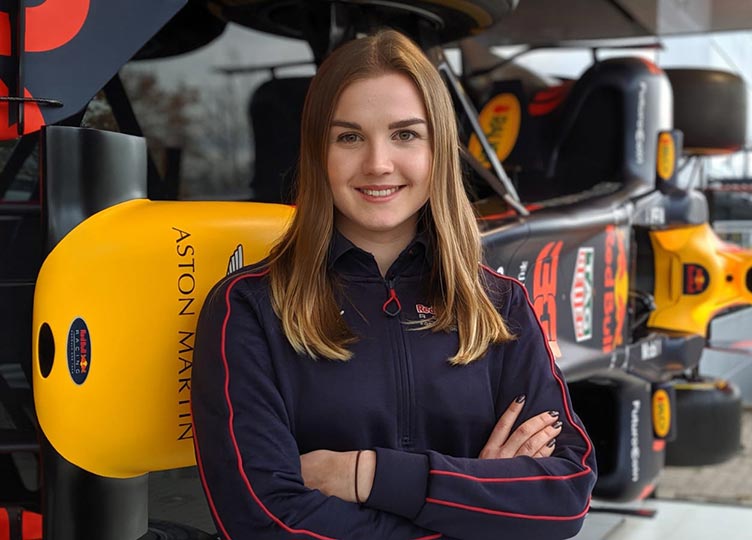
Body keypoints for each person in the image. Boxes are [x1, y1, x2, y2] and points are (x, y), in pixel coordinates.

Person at [191, 29, 596, 539]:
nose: (378, 162)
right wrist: (482, 504)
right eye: (349, 136)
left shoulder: (499, 307)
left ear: (438, 150)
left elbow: (564, 496)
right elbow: (264, 523)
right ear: (319, 153)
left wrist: (367, 476)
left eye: (405, 134)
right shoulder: (247, 309)